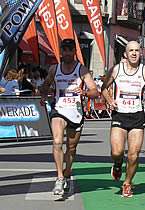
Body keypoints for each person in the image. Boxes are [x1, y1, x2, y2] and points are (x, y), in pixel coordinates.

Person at [40, 38, 98, 195]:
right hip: (59, 109)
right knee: (57, 141)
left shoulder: (81, 70)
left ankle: (66, 174)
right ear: (61, 51)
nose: (66, 53)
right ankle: (59, 178)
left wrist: (85, 92)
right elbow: (45, 85)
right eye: (64, 50)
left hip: (76, 112)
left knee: (71, 148)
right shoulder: (54, 69)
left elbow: (95, 92)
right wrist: (44, 96)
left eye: (69, 50)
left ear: (74, 52)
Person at [101, 41, 145, 197]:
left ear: (141, 53)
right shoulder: (117, 69)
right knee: (117, 151)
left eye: (137, 50)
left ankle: (127, 183)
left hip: (137, 116)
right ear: (125, 54)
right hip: (120, 115)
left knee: (133, 155)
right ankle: (117, 164)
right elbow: (104, 88)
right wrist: (110, 101)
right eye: (130, 50)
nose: (134, 53)